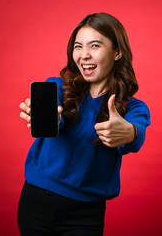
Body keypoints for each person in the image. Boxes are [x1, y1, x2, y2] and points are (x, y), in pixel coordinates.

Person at [18, 12, 151, 236]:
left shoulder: (133, 108)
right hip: (35, 201)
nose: (84, 55)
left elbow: (135, 133)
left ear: (117, 52)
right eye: (78, 46)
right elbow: (53, 118)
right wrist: (51, 118)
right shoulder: (57, 88)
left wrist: (126, 132)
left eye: (95, 45)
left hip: (84, 214)